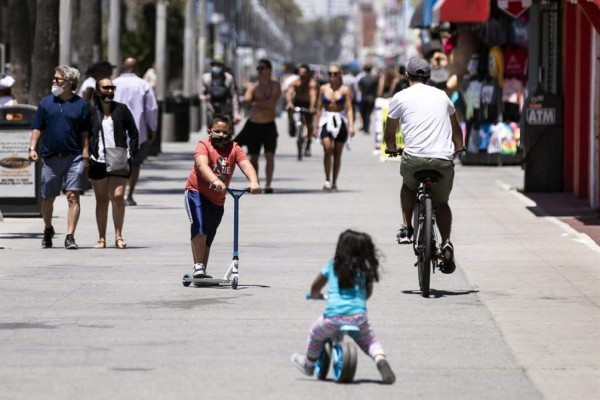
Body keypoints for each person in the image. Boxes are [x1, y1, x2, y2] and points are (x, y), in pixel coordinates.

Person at [383, 57, 464, 274]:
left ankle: (407, 228)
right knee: (442, 203)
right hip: (443, 159)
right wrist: (459, 147)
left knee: (408, 186)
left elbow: (389, 133)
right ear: (428, 78)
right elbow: (456, 130)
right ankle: (446, 241)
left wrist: (392, 148)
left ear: (406, 76)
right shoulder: (442, 96)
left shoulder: (400, 97)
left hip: (414, 159)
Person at [290, 229, 396, 384]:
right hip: (359, 317)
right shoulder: (364, 270)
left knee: (315, 334)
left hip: (333, 318)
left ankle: (309, 364)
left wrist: (315, 295)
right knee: (370, 341)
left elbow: (315, 287)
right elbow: (367, 294)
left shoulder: (332, 265)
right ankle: (380, 359)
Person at [184, 114, 260, 278]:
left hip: (217, 199)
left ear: (230, 132)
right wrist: (214, 180)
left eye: (225, 132)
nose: (221, 135)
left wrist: (254, 182)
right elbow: (201, 165)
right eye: (217, 131)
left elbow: (246, 165)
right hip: (196, 191)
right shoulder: (204, 145)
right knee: (200, 226)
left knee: (209, 234)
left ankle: (202, 269)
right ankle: (197, 266)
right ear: (209, 131)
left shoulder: (234, 148)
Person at [28, 65, 91, 249]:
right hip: (50, 158)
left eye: (58, 79)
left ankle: (70, 236)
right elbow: (37, 128)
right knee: (48, 198)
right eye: (54, 78)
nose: (54, 81)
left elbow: (84, 132)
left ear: (69, 83)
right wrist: (32, 148)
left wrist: (85, 152)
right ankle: (48, 228)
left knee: (73, 196)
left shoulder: (81, 105)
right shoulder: (46, 103)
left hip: (74, 157)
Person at [88, 77, 139, 249]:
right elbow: (85, 134)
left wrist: (130, 153)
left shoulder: (121, 110)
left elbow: (133, 132)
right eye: (105, 88)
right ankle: (101, 237)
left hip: (118, 158)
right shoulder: (91, 111)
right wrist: (87, 153)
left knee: (117, 197)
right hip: (98, 159)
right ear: (97, 90)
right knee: (102, 200)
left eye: (112, 88)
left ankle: (118, 235)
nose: (109, 91)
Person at [113, 57, 159, 206]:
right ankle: (129, 194)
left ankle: (116, 193)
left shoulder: (114, 84)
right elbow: (151, 108)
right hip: (138, 131)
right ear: (136, 68)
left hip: (115, 130)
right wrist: (153, 128)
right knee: (135, 165)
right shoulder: (143, 85)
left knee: (118, 164)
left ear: (123, 67)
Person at [235, 58, 281, 194]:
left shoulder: (275, 85)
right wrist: (254, 102)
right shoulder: (254, 87)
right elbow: (245, 102)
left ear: (269, 70)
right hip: (253, 125)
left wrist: (254, 103)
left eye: (262, 68)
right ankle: (256, 183)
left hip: (269, 125)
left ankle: (268, 183)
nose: (260, 71)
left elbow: (271, 104)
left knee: (269, 155)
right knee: (253, 157)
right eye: (258, 69)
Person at [313, 64, 355, 191]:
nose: (332, 76)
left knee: (337, 153)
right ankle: (327, 179)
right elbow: (319, 108)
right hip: (326, 120)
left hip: (340, 121)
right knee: (327, 148)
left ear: (339, 75)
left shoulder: (345, 90)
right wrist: (315, 126)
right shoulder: (323, 89)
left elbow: (349, 109)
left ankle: (334, 181)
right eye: (330, 74)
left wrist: (351, 126)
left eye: (335, 74)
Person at [284, 64, 318, 156]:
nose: (301, 75)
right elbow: (289, 93)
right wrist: (289, 103)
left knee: (309, 125)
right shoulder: (295, 82)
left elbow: (313, 96)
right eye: (300, 73)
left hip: (308, 104)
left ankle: (308, 144)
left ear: (307, 73)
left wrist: (311, 107)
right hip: (298, 102)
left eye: (303, 73)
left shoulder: (311, 83)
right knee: (289, 110)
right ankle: (292, 124)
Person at [201, 58, 240, 127]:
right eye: (214, 65)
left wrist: (235, 113)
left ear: (222, 67)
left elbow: (234, 96)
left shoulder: (228, 78)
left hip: (226, 109)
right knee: (213, 132)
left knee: (226, 131)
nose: (216, 67)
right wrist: (205, 97)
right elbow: (201, 94)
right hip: (211, 109)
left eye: (218, 65)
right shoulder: (206, 78)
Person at [357, 64, 378, 135]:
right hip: (372, 98)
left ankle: (365, 128)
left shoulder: (362, 78)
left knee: (364, 113)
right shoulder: (374, 79)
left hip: (364, 98)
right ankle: (367, 128)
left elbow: (359, 87)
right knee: (368, 114)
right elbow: (376, 88)